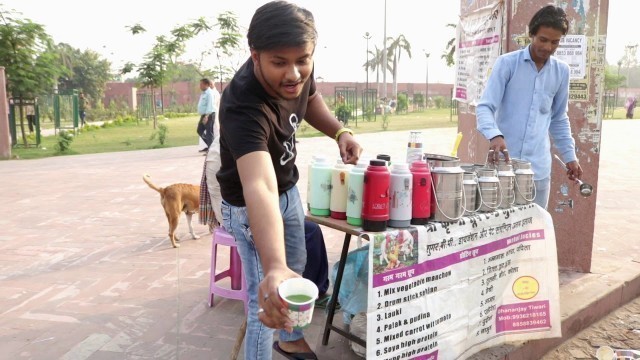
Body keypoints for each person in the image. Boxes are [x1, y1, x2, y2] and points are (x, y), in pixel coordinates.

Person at [216, 1, 362, 358]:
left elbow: (311, 99)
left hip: (287, 190)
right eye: (279, 63)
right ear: (255, 56)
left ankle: (290, 336)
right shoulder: (242, 104)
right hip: (249, 207)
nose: (294, 73)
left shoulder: (298, 64)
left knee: (293, 271)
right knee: (266, 300)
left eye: (303, 60)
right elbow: (258, 186)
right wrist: (273, 266)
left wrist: (340, 132)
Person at [476, 4, 583, 209]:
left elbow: (559, 118)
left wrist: (570, 157)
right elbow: (485, 107)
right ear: (531, 34)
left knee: (533, 234)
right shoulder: (507, 64)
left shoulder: (561, 72)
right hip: (502, 169)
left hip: (538, 172)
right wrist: (494, 135)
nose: (548, 47)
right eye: (543, 39)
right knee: (499, 232)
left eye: (555, 42)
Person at [197, 78, 216, 153]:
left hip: (209, 114)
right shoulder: (204, 93)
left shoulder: (209, 93)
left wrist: (206, 116)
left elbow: (210, 105)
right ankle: (211, 146)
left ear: (207, 85)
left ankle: (211, 150)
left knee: (209, 132)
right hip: (204, 114)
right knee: (199, 130)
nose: (200, 86)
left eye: (201, 84)